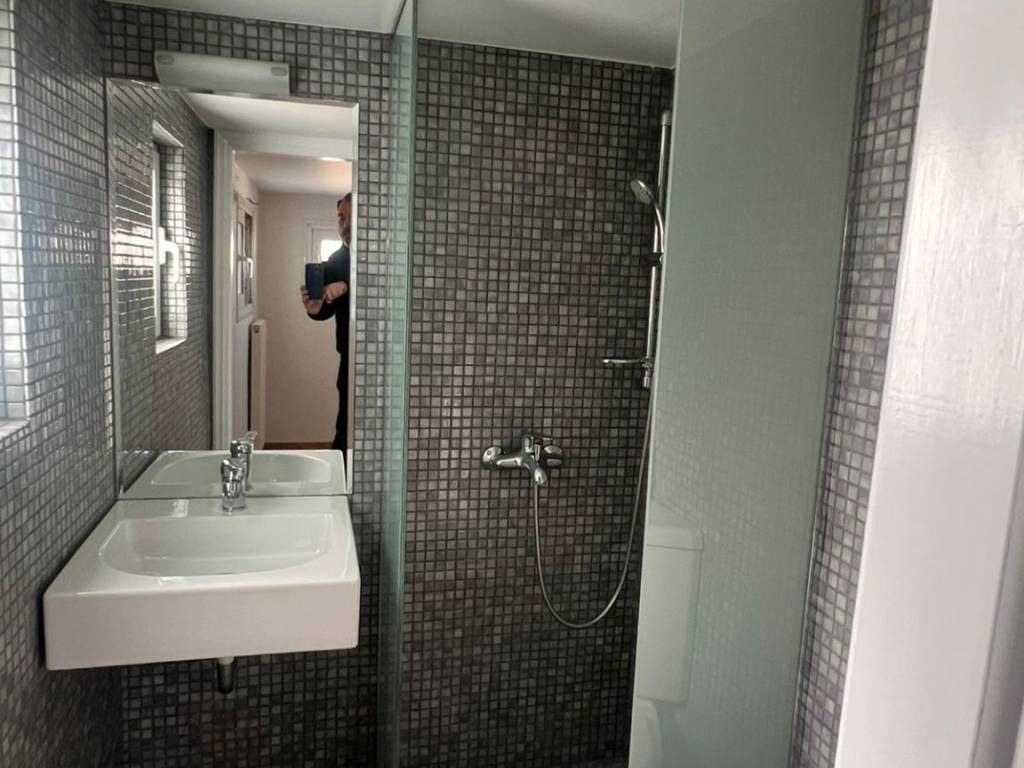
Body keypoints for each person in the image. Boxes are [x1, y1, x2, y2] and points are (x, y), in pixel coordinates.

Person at [300, 193, 351, 452]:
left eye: (352, 218)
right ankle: (341, 476)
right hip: (350, 361)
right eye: (341, 218)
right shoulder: (336, 262)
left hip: (391, 360)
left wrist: (348, 286)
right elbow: (325, 311)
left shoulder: (388, 254)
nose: (346, 225)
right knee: (346, 430)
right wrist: (315, 309)